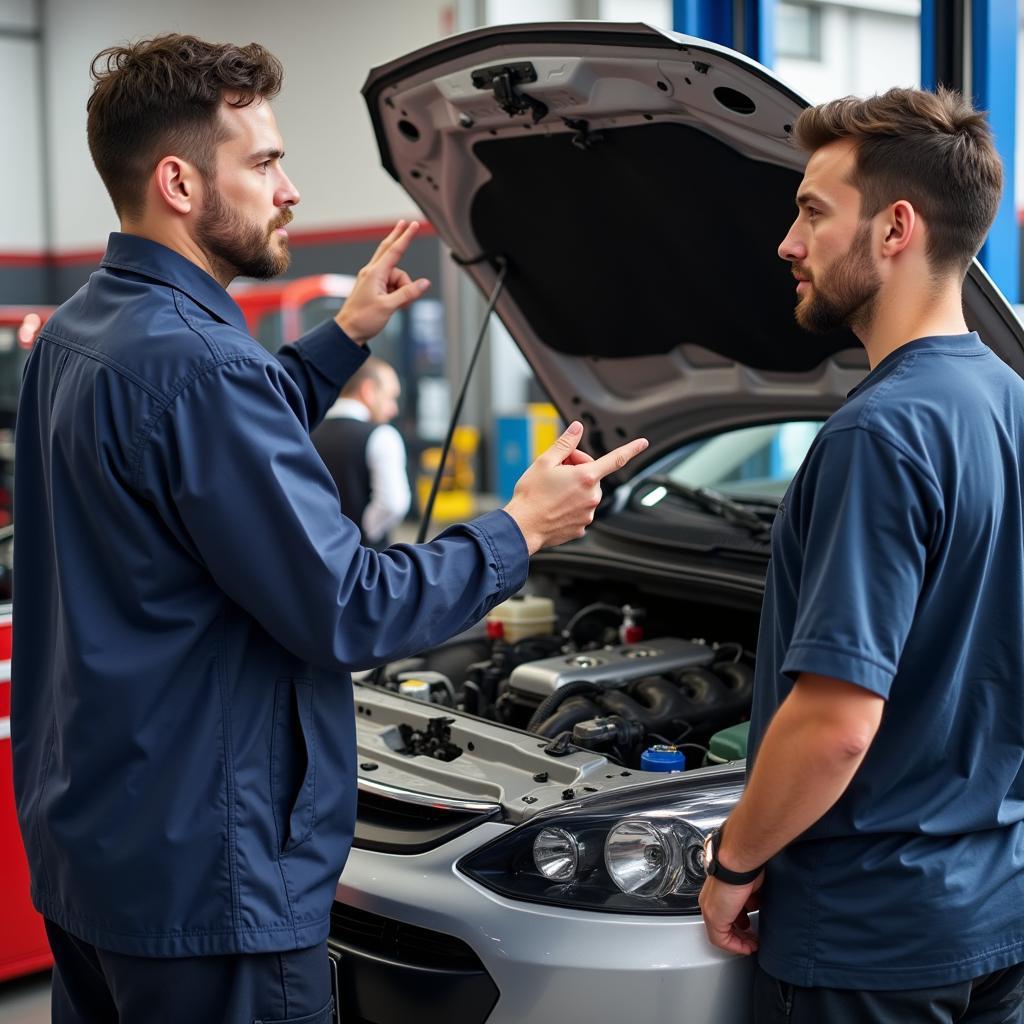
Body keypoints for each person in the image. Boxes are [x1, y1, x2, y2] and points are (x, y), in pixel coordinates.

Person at [10, 34, 648, 1024]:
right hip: (209, 882)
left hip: (96, 852)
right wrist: (519, 528)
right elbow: (347, 606)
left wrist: (342, 337)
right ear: (180, 182)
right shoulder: (199, 367)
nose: (290, 189)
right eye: (263, 162)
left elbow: (200, 453)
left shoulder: (85, 333)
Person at [697, 86, 1024, 1022]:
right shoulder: (1009, 405)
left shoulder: (879, 436)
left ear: (896, 229)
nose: (787, 245)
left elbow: (837, 724)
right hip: (996, 910)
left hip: (868, 939)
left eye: (811, 211)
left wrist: (733, 863)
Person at [312, 356, 411, 549]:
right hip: (367, 559)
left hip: (318, 557)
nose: (394, 409)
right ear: (368, 391)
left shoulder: (307, 432)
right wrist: (364, 532)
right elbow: (394, 504)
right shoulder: (383, 436)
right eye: (390, 397)